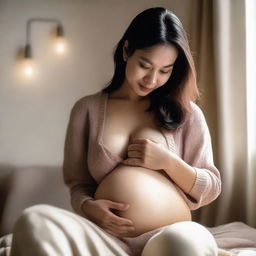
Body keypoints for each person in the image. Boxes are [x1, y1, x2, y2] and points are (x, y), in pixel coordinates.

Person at [10, 7, 221, 256]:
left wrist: (168, 162)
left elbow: (211, 187)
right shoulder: (86, 110)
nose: (152, 79)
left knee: (182, 244)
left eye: (165, 70)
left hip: (170, 234)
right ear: (126, 51)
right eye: (145, 65)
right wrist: (88, 207)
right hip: (106, 238)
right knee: (34, 219)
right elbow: (78, 184)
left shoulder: (188, 114)